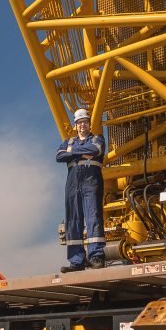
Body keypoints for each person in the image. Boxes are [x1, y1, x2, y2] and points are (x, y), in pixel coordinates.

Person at [55, 108, 106, 272]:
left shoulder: (97, 139)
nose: (82, 125)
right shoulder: (68, 142)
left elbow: (95, 150)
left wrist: (72, 153)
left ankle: (96, 256)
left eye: (85, 122)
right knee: (73, 221)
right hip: (72, 185)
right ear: (75, 125)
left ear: (89, 124)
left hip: (91, 182)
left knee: (93, 218)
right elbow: (59, 156)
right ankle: (77, 261)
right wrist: (80, 153)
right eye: (79, 122)